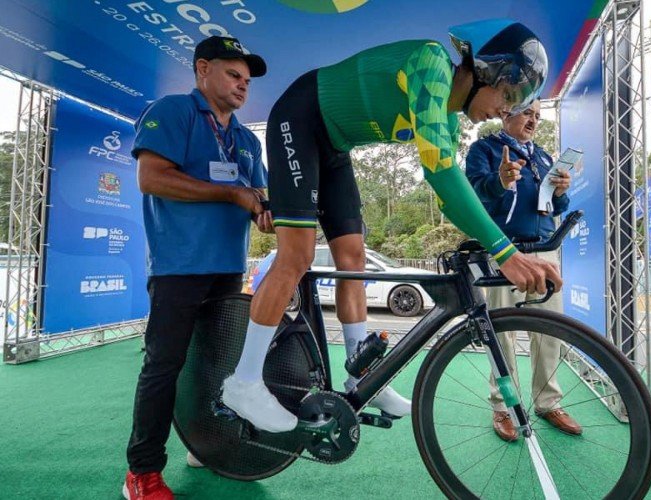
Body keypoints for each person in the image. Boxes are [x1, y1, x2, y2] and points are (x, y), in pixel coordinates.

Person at [220, 18, 563, 433]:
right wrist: (505, 252)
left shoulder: (449, 121)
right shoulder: (432, 64)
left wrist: (500, 247)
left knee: (354, 259)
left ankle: (358, 374)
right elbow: (439, 172)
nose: (507, 109)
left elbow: (447, 195)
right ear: (484, 69)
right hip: (300, 116)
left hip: (334, 146)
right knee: (297, 256)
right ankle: (243, 383)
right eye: (508, 95)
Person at [123, 36, 269, 500]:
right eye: (233, 74)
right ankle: (141, 473)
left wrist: (269, 211)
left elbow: (259, 201)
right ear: (202, 69)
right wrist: (230, 193)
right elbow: (152, 178)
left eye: (246, 80)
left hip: (228, 269)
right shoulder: (172, 111)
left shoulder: (247, 140)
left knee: (214, 365)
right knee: (165, 366)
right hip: (177, 267)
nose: (242, 86)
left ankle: (204, 446)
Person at [465, 99, 582, 441]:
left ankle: (548, 403)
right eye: (528, 114)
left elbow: (553, 206)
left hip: (544, 251)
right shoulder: (483, 150)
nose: (534, 121)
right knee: (500, 334)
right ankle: (503, 407)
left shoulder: (545, 156)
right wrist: (498, 181)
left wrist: (561, 193)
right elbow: (473, 194)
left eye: (537, 116)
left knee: (549, 334)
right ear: (506, 114)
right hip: (504, 252)